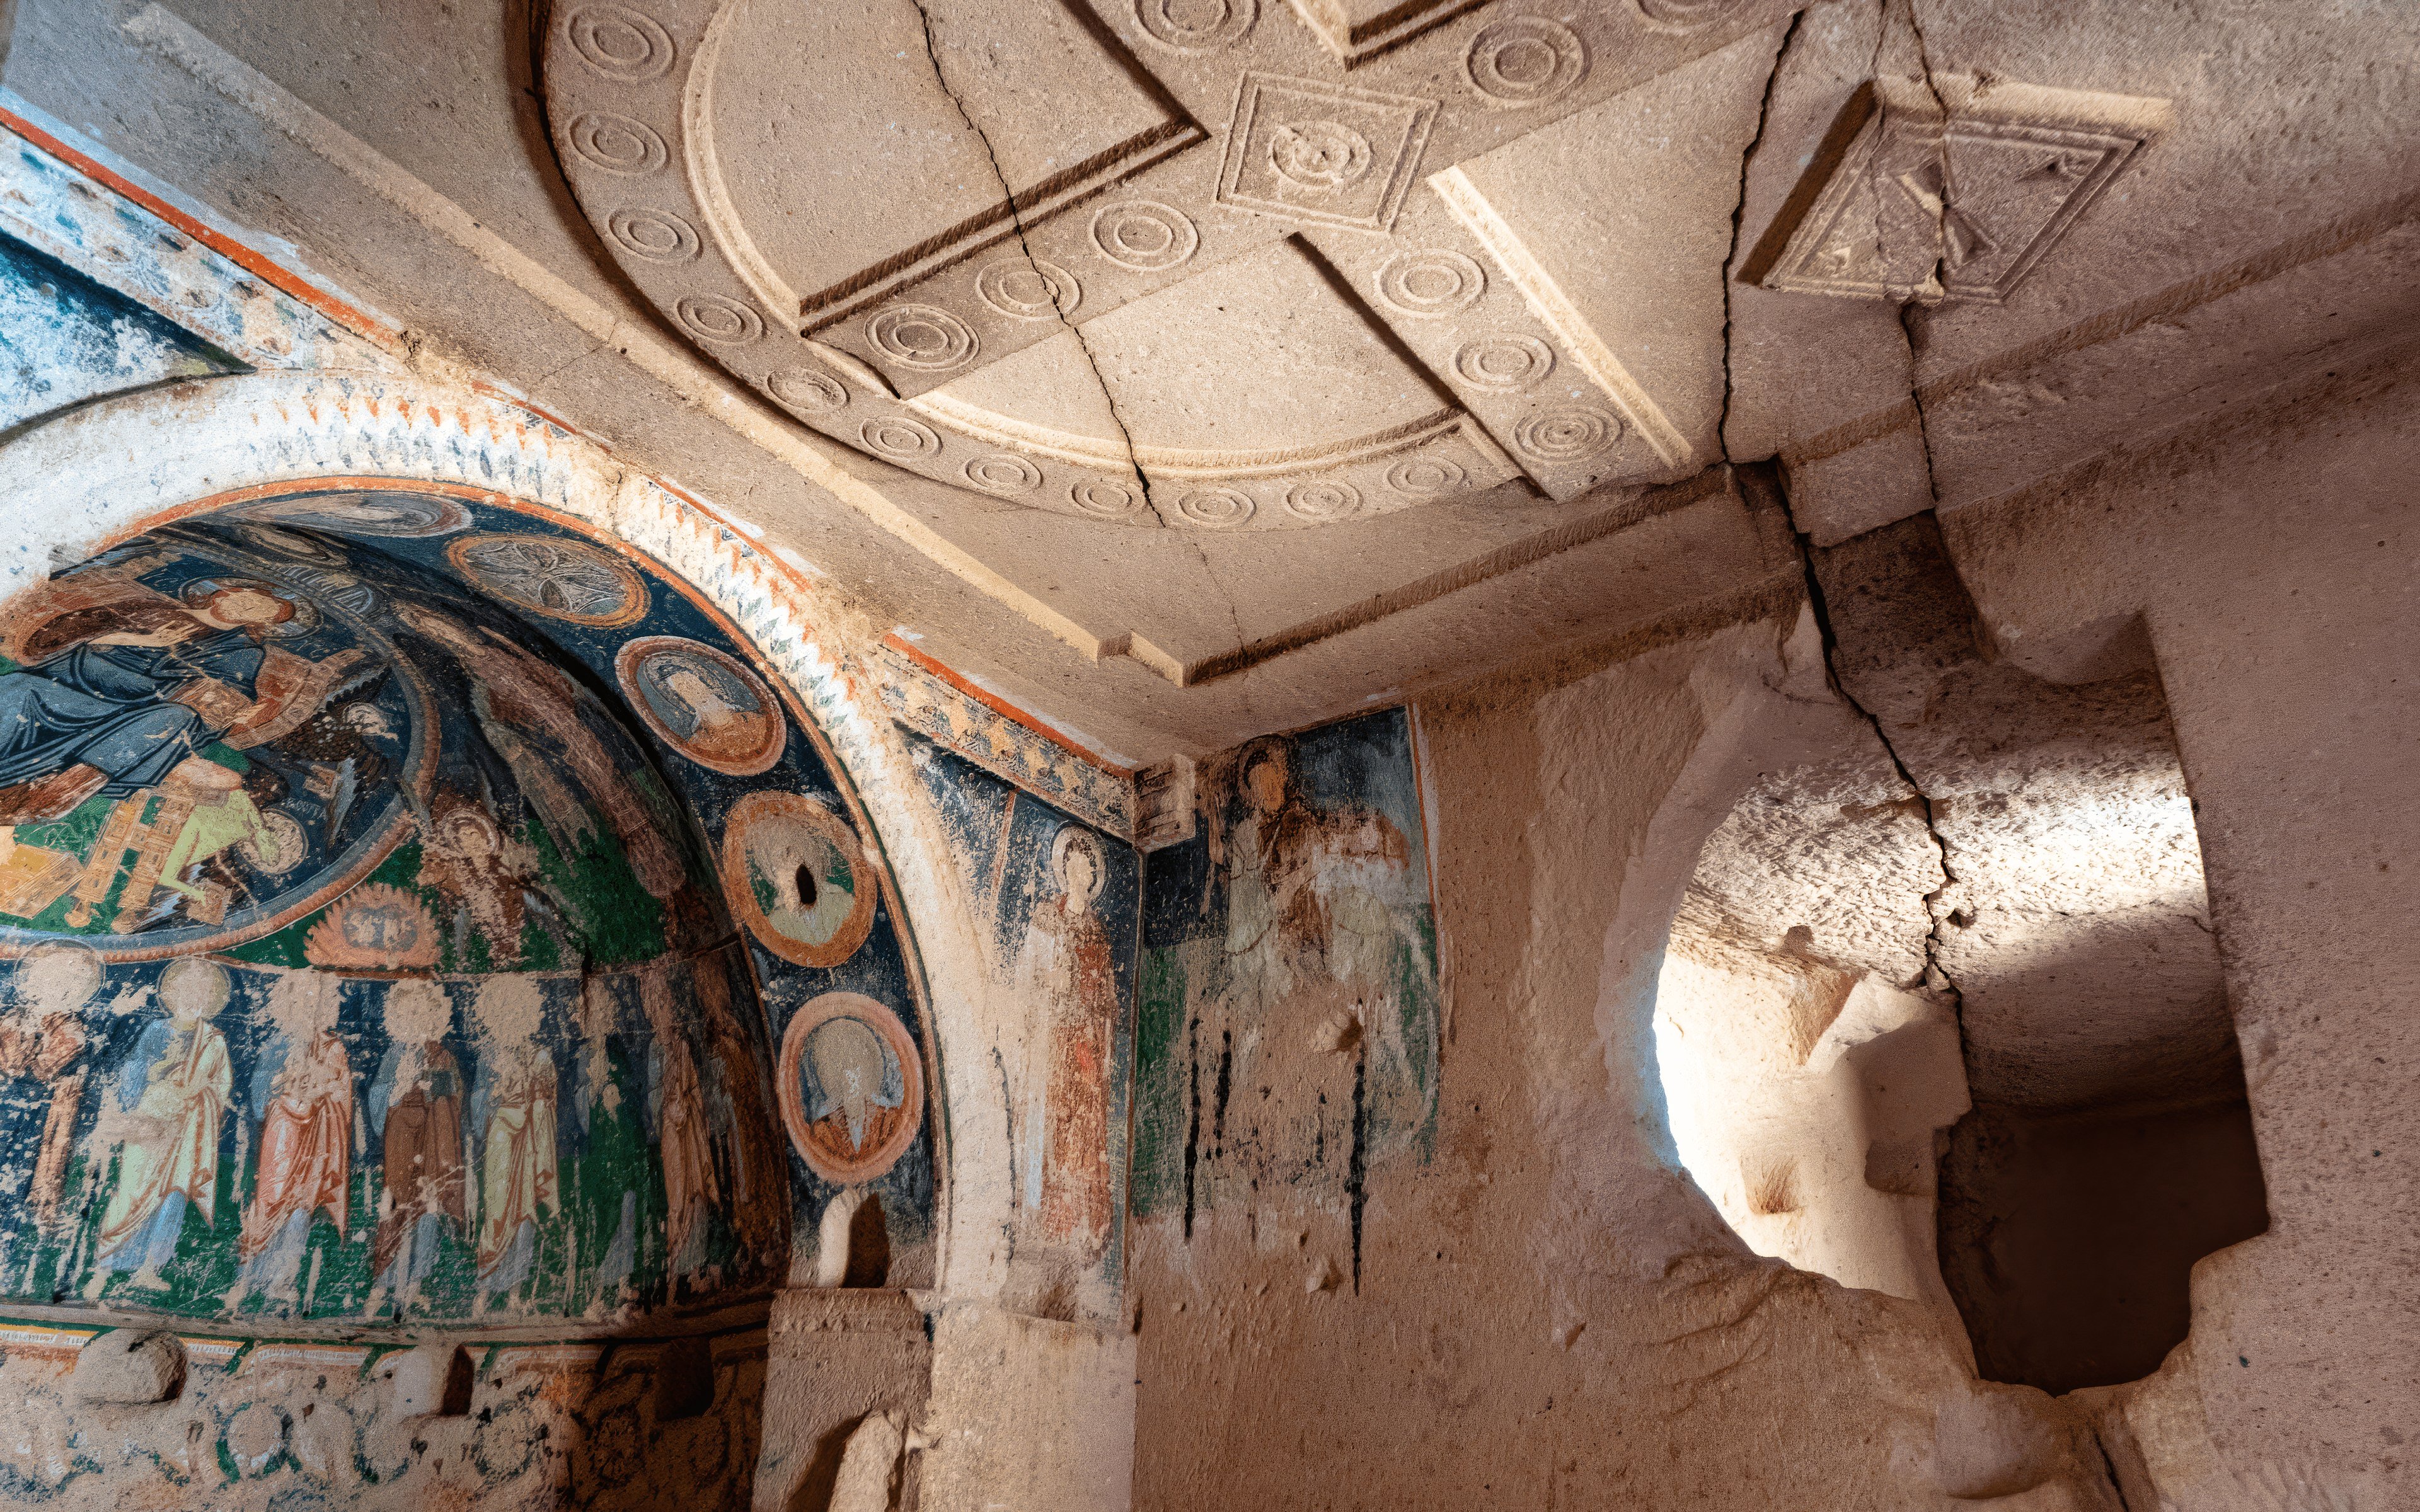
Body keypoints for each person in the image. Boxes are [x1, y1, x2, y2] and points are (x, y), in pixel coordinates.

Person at [0, 583, 295, 836]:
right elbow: (56, 636)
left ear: (259, 622)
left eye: (258, 611)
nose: (246, 608)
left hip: (128, 708)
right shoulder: (152, 609)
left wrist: (223, 704)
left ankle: (60, 792)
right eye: (246, 599)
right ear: (223, 594)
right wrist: (137, 640)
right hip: (66, 679)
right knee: (21, 686)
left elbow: (229, 697)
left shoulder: (241, 650)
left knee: (177, 717)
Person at [89, 957, 235, 1293]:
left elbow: (221, 1086)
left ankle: (150, 1268)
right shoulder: (156, 1031)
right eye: (186, 990)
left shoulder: (214, 1040)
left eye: (201, 992)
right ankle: (105, 1267)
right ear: (172, 993)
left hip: (189, 1128)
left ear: (209, 999)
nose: (193, 997)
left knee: (174, 1196)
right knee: (132, 1190)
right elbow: (134, 1073)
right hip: (151, 1119)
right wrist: (159, 1072)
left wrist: (201, 1091)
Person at [1015, 826, 1119, 1255]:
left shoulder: (1097, 932)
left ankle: (1085, 1218)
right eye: (1074, 864)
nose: (1083, 871)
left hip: (1089, 1042)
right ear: (1063, 869)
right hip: (1056, 1036)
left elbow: (1109, 997)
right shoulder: (1046, 917)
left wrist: (1107, 1044)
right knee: (1055, 1122)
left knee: (1089, 1128)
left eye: (1088, 865)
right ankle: (1050, 1218)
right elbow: (1025, 978)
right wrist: (1048, 980)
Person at [233, 970, 353, 1309]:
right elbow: (259, 1096)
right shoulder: (279, 1041)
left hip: (318, 1133)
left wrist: (320, 1091)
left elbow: (342, 1094)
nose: (313, 1008)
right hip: (283, 1127)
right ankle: (251, 1275)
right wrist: (283, 1086)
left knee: (303, 1206)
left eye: (322, 1002)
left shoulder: (334, 1048)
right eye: (304, 1001)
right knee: (271, 1198)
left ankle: (282, 1279)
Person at [364, 978, 467, 1317]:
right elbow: (379, 1098)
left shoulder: (443, 1055)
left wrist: (434, 1086)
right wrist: (401, 1085)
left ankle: (416, 1284)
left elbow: (456, 1099)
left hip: (435, 1143)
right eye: (412, 1011)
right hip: (401, 1140)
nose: (419, 1018)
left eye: (426, 1012)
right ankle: (385, 1282)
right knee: (394, 1205)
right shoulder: (397, 1053)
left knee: (429, 1209)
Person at [469, 977, 559, 1307]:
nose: (512, 1015)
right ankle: (486, 1285)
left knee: (525, 1211)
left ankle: (517, 1290)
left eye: (518, 1009)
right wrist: (491, 1098)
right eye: (504, 1008)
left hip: (529, 1137)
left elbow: (548, 1100)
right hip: (500, 1137)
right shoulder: (489, 1054)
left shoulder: (538, 1054)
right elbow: (477, 1104)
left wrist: (538, 1100)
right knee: (496, 1209)